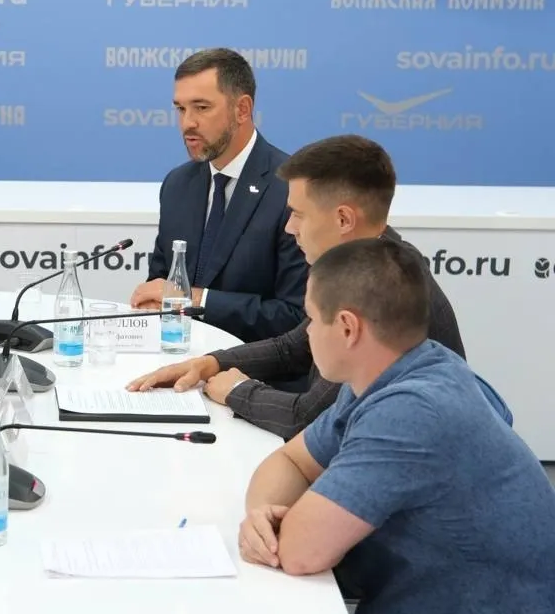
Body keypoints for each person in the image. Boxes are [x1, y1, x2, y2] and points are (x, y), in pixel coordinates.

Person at [239, 238, 555, 614]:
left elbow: (300, 551)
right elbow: (290, 460)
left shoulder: (414, 410)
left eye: (311, 320)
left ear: (348, 328)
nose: (308, 334)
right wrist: (262, 518)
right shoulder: (395, 373)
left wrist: (284, 528)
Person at [128, 135, 467, 439]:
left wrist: (238, 390)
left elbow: (311, 419)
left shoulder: (382, 289)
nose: (290, 227)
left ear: (344, 220)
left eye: (299, 214)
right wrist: (211, 363)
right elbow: (293, 346)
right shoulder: (369, 259)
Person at [131, 48, 307, 343]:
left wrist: (196, 299)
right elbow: (161, 285)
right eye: (181, 109)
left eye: (201, 107)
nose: (187, 123)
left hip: (255, 365)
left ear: (242, 109)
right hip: (177, 357)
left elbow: (294, 316)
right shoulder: (177, 185)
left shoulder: (291, 188)